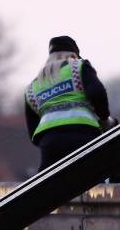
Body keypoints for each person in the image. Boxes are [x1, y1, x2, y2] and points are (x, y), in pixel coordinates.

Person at [24, 35, 111, 169]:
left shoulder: (33, 86)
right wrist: (104, 118)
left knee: (51, 186)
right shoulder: (78, 66)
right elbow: (97, 93)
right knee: (93, 177)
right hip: (83, 134)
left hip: (49, 142)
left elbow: (32, 131)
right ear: (74, 55)